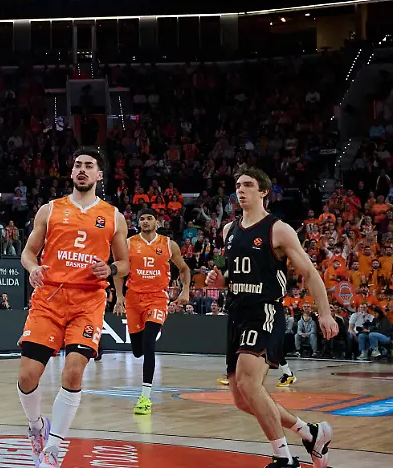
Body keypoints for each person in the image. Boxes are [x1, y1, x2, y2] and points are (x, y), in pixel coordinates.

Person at [206, 167, 337, 468]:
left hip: (264, 311)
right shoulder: (228, 230)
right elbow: (232, 272)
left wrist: (325, 313)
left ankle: (284, 458)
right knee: (242, 398)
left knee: (250, 384)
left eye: (248, 185)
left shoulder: (278, 229)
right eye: (238, 185)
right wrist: (220, 280)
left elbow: (310, 272)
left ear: (263, 191)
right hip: (236, 314)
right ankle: (310, 432)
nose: (240, 190)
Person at [18, 148, 129, 468]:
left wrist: (108, 269)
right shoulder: (50, 210)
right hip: (49, 300)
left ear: (99, 175)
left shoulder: (113, 216)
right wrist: (33, 269)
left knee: (74, 370)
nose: (82, 169)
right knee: (28, 375)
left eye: (89, 166)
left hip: (88, 302)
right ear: (71, 173)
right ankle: (37, 426)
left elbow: (124, 263)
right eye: (77, 165)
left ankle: (52, 452)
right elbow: (28, 253)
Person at [113, 209, 190, 416]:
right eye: (141, 218)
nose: (145, 221)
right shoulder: (129, 243)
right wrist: (119, 297)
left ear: (157, 222)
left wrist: (185, 289)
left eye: (149, 218)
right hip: (133, 299)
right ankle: (144, 380)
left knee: (149, 343)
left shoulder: (168, 244)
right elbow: (119, 271)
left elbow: (183, 268)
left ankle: (145, 397)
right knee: (138, 350)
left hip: (157, 298)